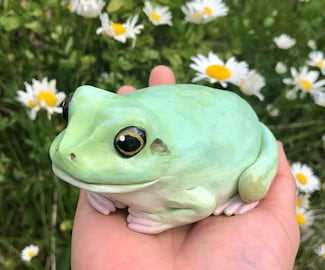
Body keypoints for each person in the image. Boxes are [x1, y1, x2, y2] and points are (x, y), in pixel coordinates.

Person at [71, 66, 300, 270]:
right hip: (186, 111)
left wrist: (164, 219)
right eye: (68, 110)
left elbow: (202, 203)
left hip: (241, 132)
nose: (66, 147)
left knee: (252, 187)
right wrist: (100, 189)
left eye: (129, 143)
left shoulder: (171, 172)